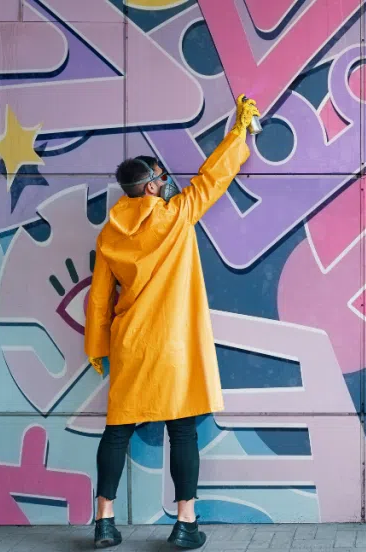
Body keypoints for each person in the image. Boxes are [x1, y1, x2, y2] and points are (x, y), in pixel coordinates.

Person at [84, 95, 261, 549]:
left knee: (117, 429)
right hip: (173, 345)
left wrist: (96, 349)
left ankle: (104, 521)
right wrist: (240, 132)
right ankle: (185, 524)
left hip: (130, 343)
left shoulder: (108, 234)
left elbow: (99, 299)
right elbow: (213, 178)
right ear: (149, 188)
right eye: (161, 179)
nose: (167, 184)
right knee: (181, 429)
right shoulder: (178, 216)